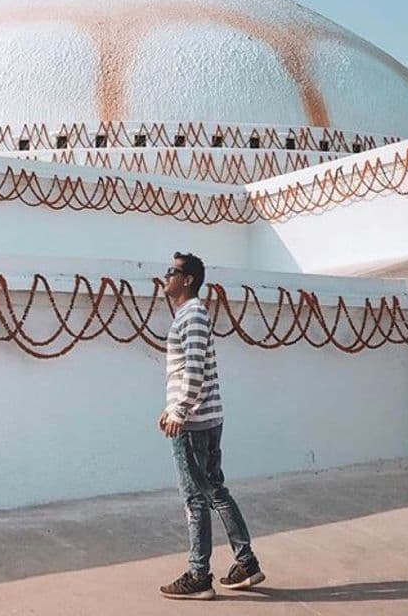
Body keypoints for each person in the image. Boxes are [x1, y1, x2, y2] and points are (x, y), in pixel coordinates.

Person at [158, 251, 265, 601]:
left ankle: (198, 574)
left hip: (194, 423)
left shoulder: (193, 315)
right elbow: (189, 369)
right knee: (215, 491)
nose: (166, 277)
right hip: (204, 417)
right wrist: (171, 407)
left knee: (195, 497)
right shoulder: (193, 315)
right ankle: (245, 562)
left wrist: (179, 412)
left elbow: (193, 369)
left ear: (187, 279)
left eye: (172, 272)